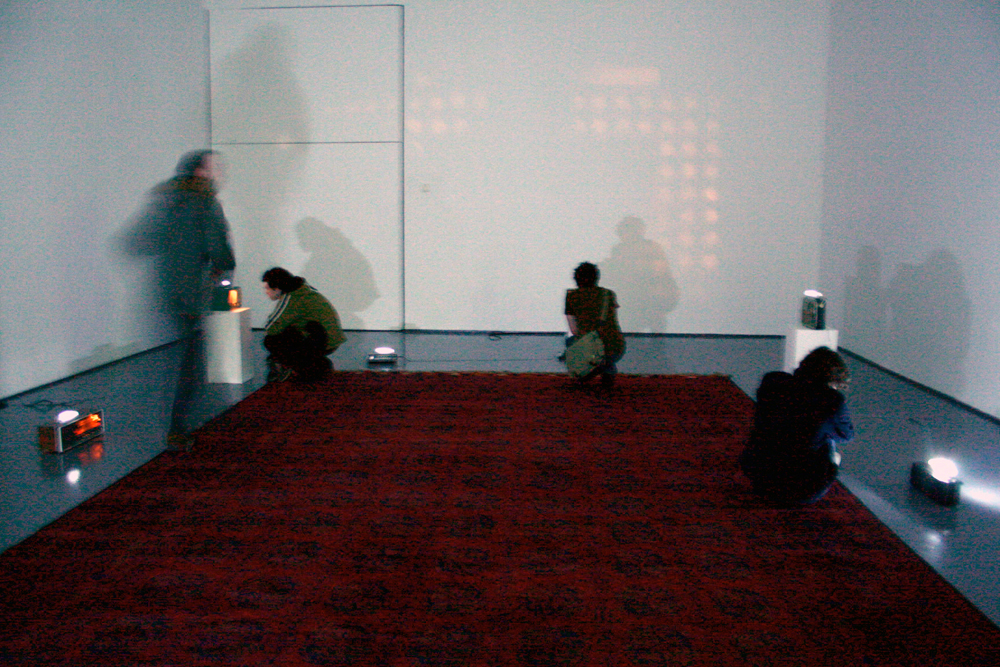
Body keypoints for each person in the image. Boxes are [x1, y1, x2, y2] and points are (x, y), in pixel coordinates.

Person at [122, 149, 236, 450]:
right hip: (190, 294)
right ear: (200, 171)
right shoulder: (205, 202)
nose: (218, 173)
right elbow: (218, 247)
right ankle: (176, 430)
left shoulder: (164, 200)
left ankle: (153, 432)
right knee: (189, 366)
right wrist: (223, 263)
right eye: (213, 168)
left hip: (164, 291)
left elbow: (137, 243)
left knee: (166, 364)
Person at [739, 346, 855, 506]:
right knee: (829, 438)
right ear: (833, 379)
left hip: (759, 478)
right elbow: (847, 435)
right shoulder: (832, 399)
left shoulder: (772, 380)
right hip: (804, 490)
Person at [261, 267, 346, 382]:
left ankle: (305, 366)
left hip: (322, 342)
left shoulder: (291, 298)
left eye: (267, 288)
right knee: (288, 333)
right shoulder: (303, 290)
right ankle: (316, 364)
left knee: (271, 341)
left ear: (277, 288)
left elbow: (271, 328)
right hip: (331, 340)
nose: (266, 292)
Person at [564, 261, 626, 387]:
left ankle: (587, 371)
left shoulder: (571, 296)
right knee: (604, 345)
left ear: (576, 278)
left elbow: (574, 330)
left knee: (569, 340)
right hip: (616, 347)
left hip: (590, 351)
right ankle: (607, 369)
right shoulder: (608, 294)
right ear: (596, 277)